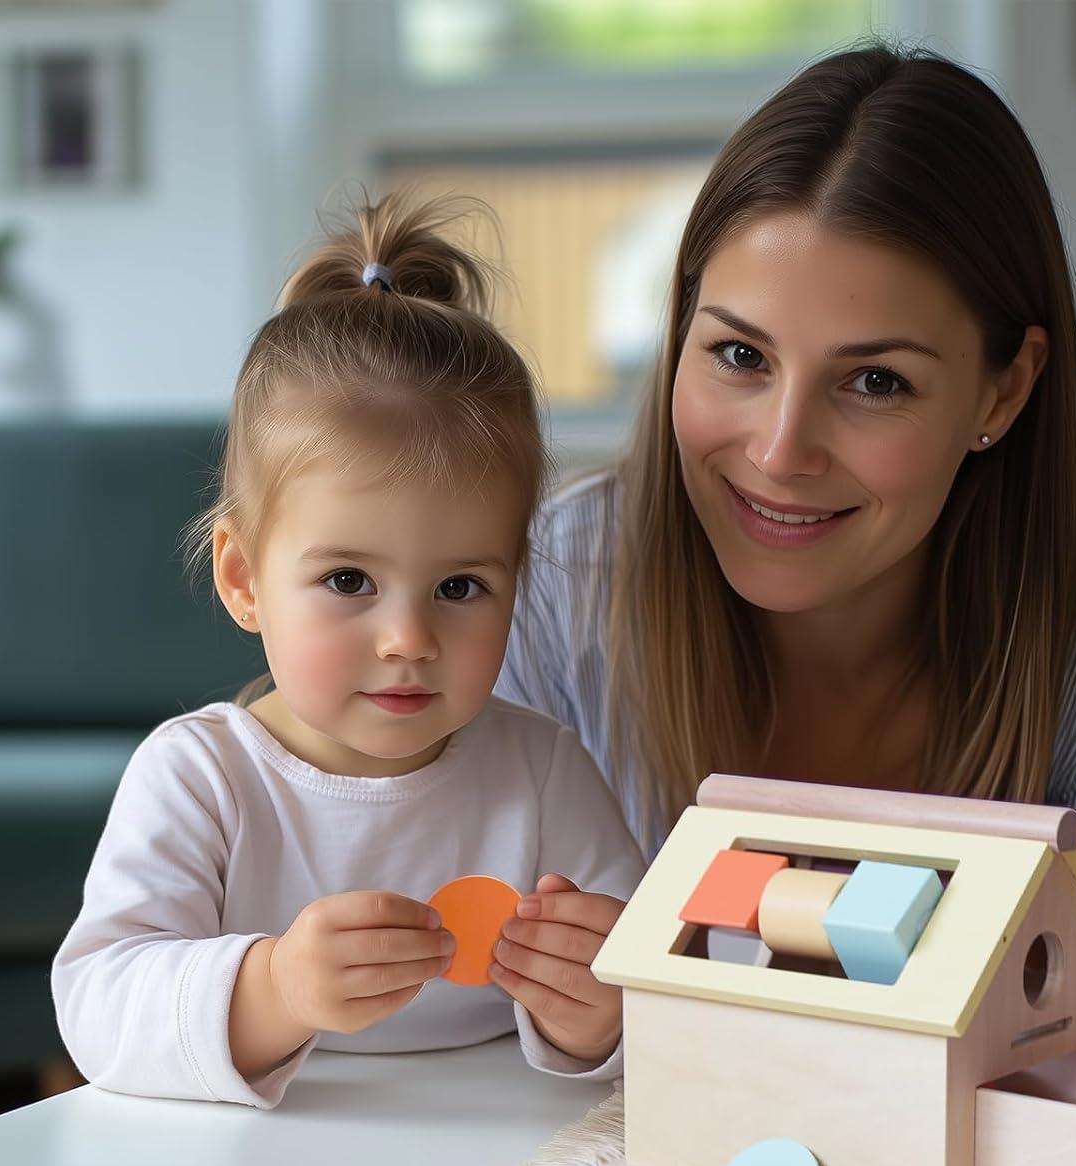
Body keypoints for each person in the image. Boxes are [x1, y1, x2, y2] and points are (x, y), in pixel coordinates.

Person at [497, 44, 1076, 1001]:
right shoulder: (547, 588)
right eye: (740, 355)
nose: (782, 451)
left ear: (1004, 390)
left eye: (876, 382)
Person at [53, 197, 644, 1107]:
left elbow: (657, 992)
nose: (408, 640)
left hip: (504, 1165)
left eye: (459, 588)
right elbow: (97, 1002)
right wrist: (276, 988)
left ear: (516, 582)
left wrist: (604, 1013)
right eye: (347, 582)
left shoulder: (542, 771)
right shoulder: (202, 777)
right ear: (245, 577)